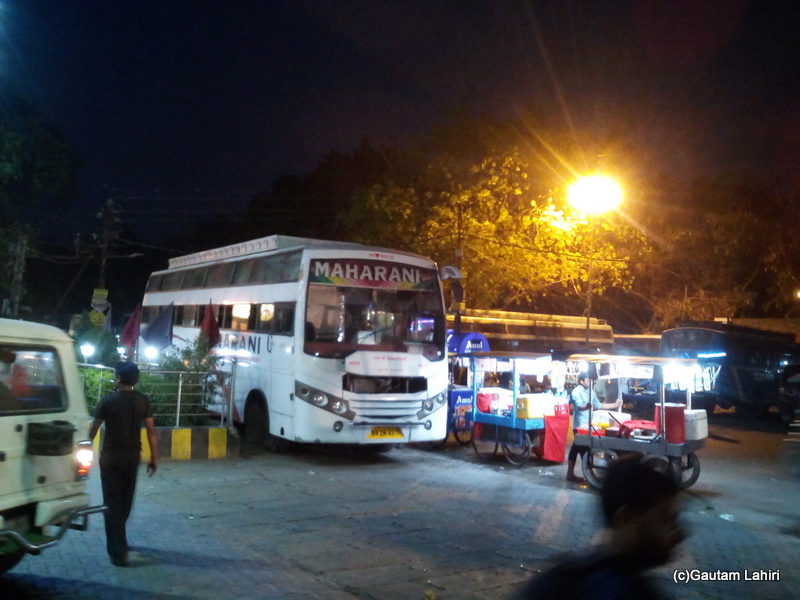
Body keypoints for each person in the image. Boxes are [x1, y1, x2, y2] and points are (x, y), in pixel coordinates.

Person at [511, 458, 685, 600]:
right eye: (665, 520)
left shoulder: (570, 573)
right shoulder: (619, 592)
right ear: (625, 518)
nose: (679, 534)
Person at [88, 361, 158, 567]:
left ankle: (117, 550)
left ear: (118, 378)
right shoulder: (143, 401)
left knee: (112, 502)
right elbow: (151, 432)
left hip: (110, 458)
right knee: (125, 500)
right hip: (132, 457)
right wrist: (154, 457)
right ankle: (121, 542)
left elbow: (94, 429)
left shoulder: (107, 400)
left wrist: (83, 449)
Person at [566, 372, 621, 482]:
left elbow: (599, 405)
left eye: (591, 381)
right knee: (583, 449)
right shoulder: (576, 391)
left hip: (588, 425)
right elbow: (578, 407)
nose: (590, 382)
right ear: (581, 381)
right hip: (579, 426)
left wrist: (615, 405)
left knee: (576, 448)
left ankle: (571, 474)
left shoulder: (590, 391)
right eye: (587, 380)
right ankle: (589, 475)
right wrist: (586, 407)